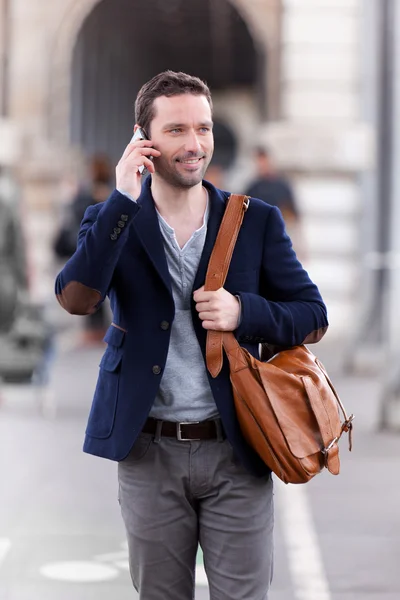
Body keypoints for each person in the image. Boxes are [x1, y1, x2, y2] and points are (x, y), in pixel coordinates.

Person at [55, 71, 328, 599]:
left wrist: (243, 312)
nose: (195, 144)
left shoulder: (255, 222)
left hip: (237, 448)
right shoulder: (113, 219)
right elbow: (75, 298)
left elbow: (312, 315)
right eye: (177, 129)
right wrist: (120, 201)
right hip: (148, 450)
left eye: (202, 128)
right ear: (144, 139)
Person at [54, 153, 113, 343]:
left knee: (88, 283)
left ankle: (94, 328)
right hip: (97, 244)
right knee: (95, 284)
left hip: (87, 243)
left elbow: (78, 214)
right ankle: (96, 328)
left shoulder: (89, 193)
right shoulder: (108, 191)